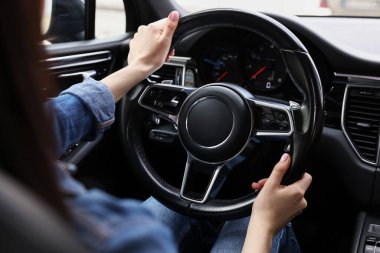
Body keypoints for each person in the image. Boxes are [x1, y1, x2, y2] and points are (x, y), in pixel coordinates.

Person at [0, 1, 312, 253]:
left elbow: (50, 122)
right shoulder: (126, 238)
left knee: (189, 202)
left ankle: (234, 175)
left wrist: (139, 68)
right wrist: (265, 224)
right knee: (245, 218)